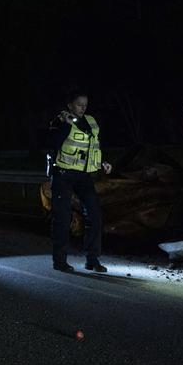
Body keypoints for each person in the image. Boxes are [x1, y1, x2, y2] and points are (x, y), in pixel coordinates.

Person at [48, 89, 113, 273]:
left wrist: (102, 163)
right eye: (79, 104)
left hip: (83, 176)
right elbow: (52, 144)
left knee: (94, 214)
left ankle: (92, 259)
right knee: (62, 218)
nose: (83, 108)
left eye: (85, 104)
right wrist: (66, 126)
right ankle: (59, 261)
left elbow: (92, 147)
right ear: (70, 105)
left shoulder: (91, 121)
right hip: (63, 174)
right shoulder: (60, 121)